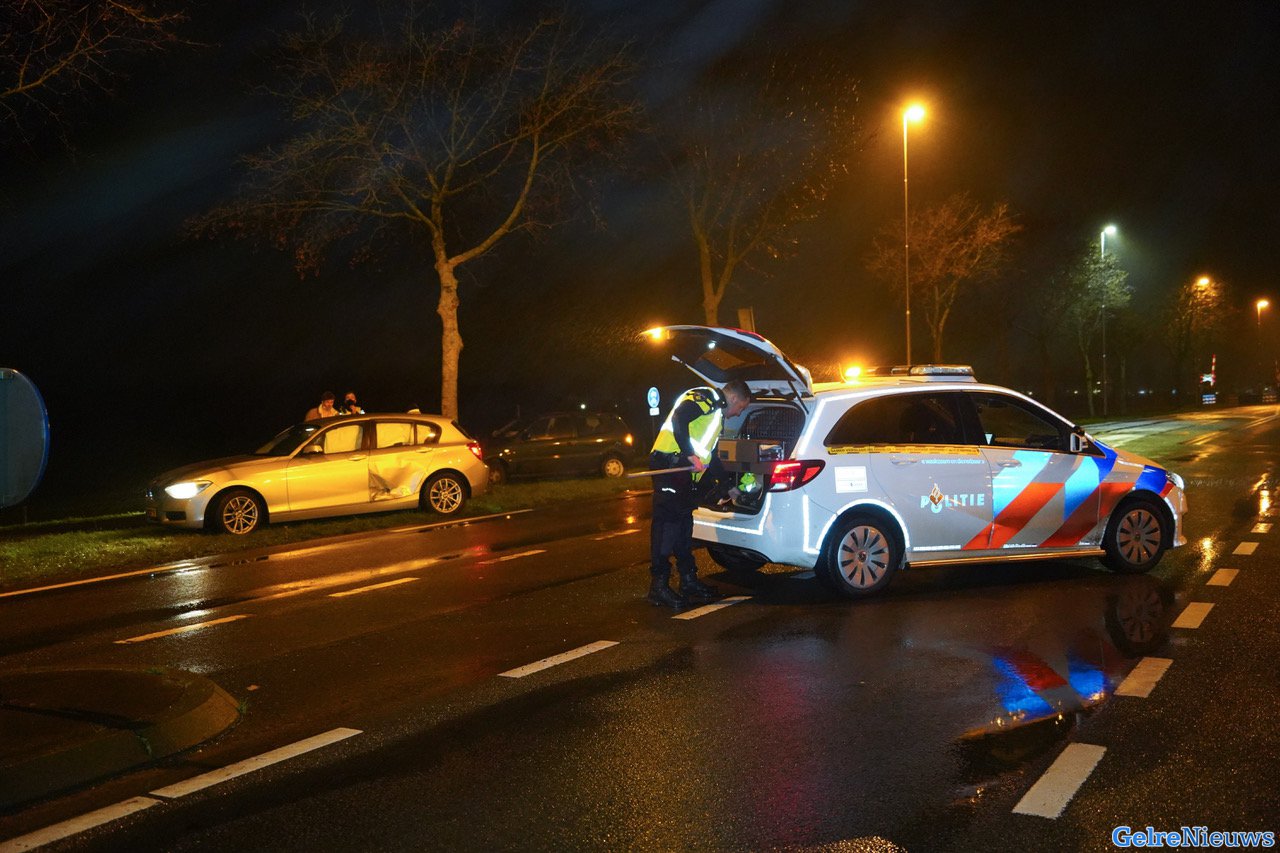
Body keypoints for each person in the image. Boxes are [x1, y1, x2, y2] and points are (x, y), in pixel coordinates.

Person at [647, 379, 751, 609]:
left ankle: (688, 580)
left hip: (682, 475)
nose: (737, 414)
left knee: (684, 527)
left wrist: (728, 487)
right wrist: (688, 454)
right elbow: (679, 419)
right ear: (733, 398)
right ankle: (658, 587)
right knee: (667, 528)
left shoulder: (715, 416)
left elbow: (711, 456)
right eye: (741, 408)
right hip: (669, 466)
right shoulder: (706, 399)